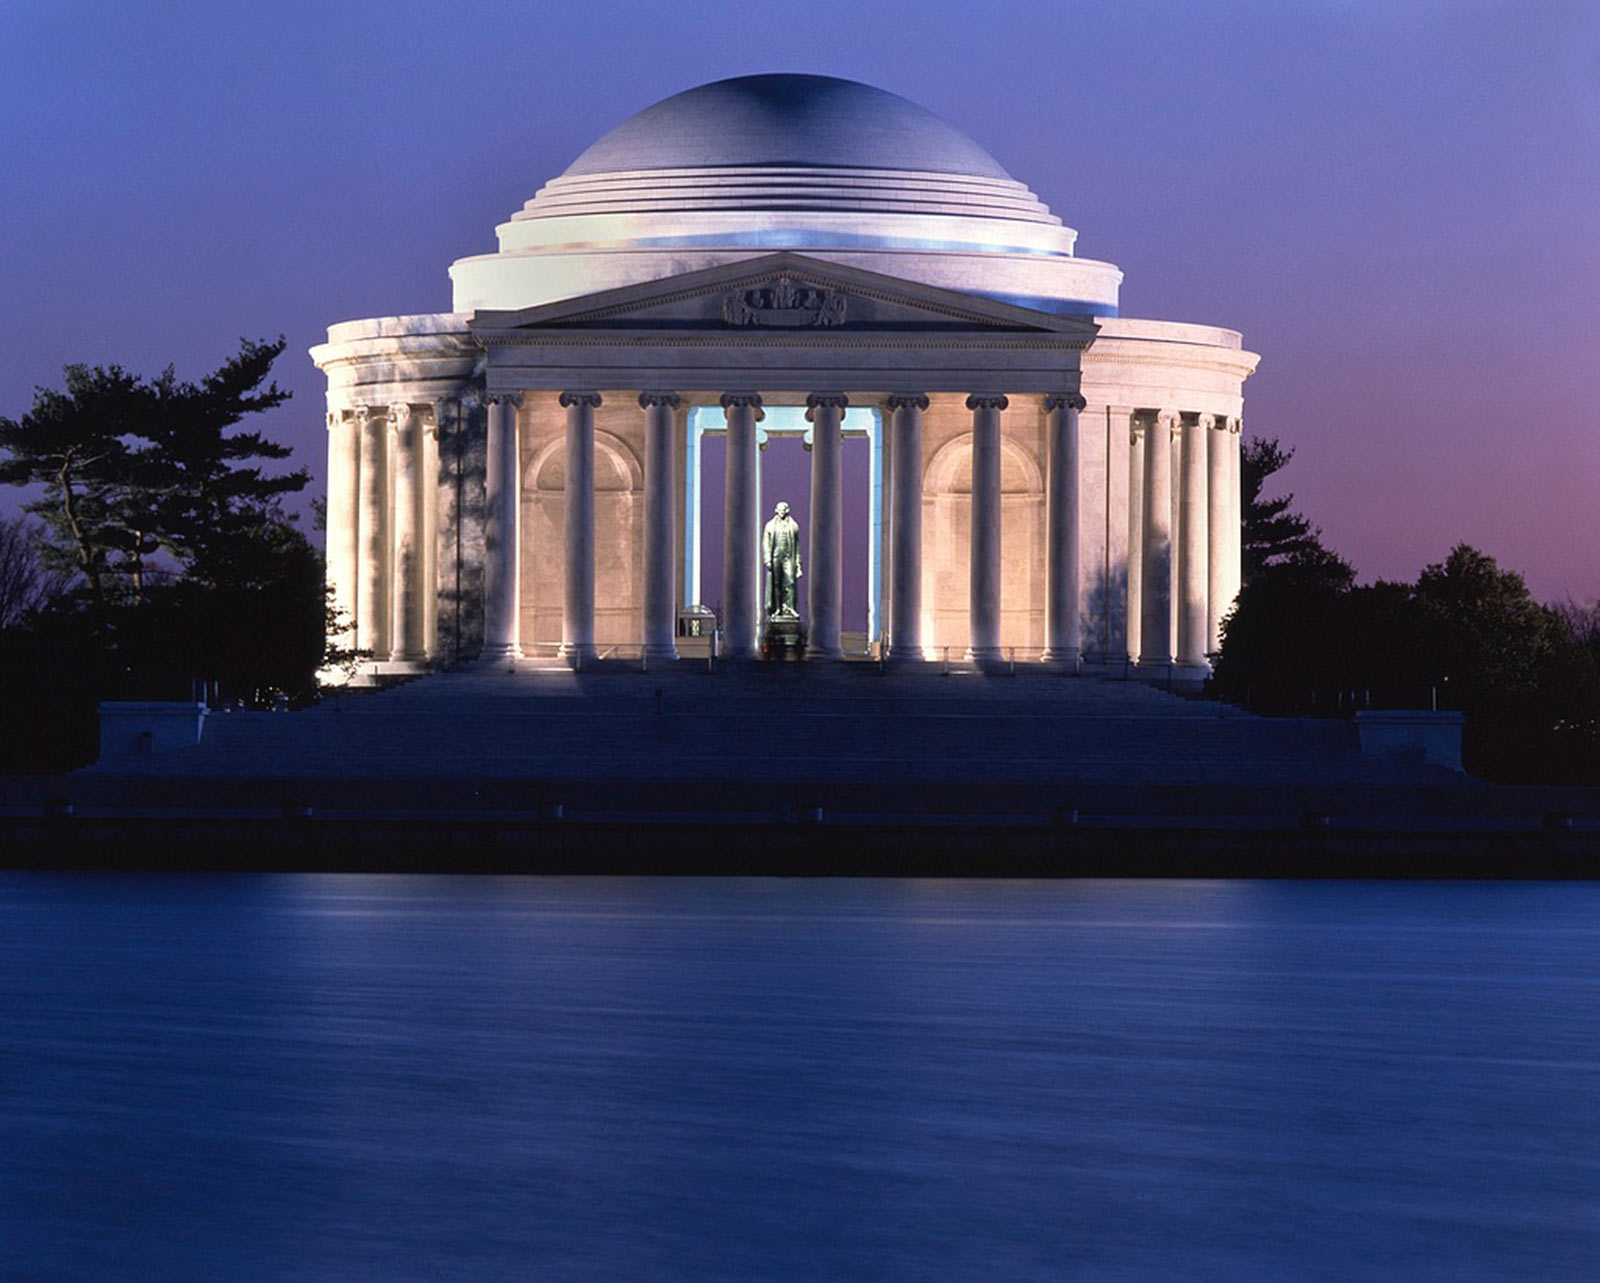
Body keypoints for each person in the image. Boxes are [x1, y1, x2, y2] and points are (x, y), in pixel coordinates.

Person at [761, 500, 803, 619]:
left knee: (790, 582)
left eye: (783, 510)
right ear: (776, 511)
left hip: (788, 557)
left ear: (787, 511)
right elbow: (766, 544)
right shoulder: (770, 525)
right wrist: (767, 560)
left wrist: (798, 564)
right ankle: (777, 608)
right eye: (779, 510)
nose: (782, 512)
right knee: (776, 583)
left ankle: (789, 608)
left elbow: (797, 547)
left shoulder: (794, 526)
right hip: (775, 556)